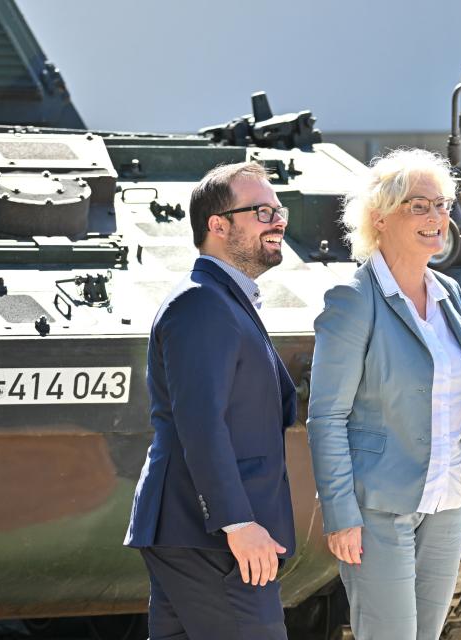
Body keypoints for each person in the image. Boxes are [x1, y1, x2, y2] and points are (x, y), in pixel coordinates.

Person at [307, 148, 461, 640]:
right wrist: (341, 514)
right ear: (379, 216)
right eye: (419, 205)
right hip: (378, 509)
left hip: (446, 500)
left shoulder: (448, 293)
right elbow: (326, 417)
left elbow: (458, 386)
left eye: (443, 204)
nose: (437, 218)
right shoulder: (353, 299)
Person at [124, 162, 297, 640]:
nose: (278, 221)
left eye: (279, 210)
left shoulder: (225, 301)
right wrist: (237, 521)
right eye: (262, 211)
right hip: (212, 536)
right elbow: (200, 423)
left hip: (196, 534)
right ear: (217, 226)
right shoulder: (201, 302)